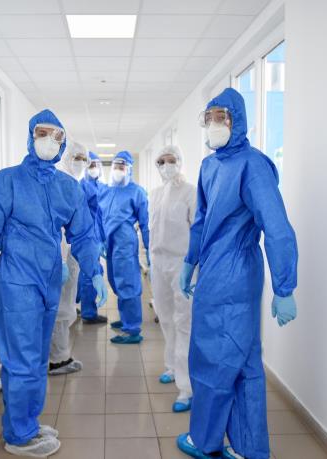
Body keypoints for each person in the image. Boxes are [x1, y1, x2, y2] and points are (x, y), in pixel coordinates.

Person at [0, 109, 108, 457]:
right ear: (31, 136)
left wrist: (95, 271)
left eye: (57, 135)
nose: (49, 141)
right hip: (15, 284)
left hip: (48, 284)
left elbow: (83, 234)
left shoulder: (67, 187)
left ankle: (27, 422)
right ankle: (19, 435)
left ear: (63, 142)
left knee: (36, 359)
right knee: (22, 362)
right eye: (42, 133)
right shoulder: (7, 181)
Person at [176, 88, 298, 459]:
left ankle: (206, 440)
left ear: (238, 120)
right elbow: (201, 220)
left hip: (233, 272)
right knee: (243, 359)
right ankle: (249, 447)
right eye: (210, 118)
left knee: (214, 357)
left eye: (222, 118)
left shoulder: (253, 165)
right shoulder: (209, 166)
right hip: (214, 269)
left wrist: (284, 286)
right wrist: (190, 261)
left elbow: (276, 227)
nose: (214, 124)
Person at [149, 145, 196, 413]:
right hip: (159, 262)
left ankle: (186, 387)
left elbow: (196, 230)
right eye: (162, 161)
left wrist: (193, 265)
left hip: (181, 263)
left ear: (180, 162)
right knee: (165, 317)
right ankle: (171, 366)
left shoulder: (190, 192)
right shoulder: (155, 194)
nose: (167, 165)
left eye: (172, 160)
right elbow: (153, 228)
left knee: (183, 322)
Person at [48, 141, 92, 375]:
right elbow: (58, 227)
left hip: (67, 254)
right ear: (66, 157)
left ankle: (58, 356)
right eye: (76, 157)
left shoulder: (72, 184)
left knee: (62, 305)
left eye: (84, 159)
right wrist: (63, 259)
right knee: (60, 308)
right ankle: (58, 359)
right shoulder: (61, 183)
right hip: (61, 255)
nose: (81, 163)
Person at [101, 151, 150, 344]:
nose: (118, 170)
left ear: (129, 169)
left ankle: (132, 329)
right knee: (115, 281)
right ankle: (125, 319)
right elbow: (99, 218)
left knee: (127, 283)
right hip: (109, 242)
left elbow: (145, 223)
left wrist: (149, 248)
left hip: (124, 242)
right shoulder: (106, 191)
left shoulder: (136, 191)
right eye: (116, 166)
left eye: (122, 167)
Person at [78, 151, 108, 324]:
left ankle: (84, 308)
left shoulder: (100, 186)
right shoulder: (82, 186)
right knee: (89, 275)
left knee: (90, 273)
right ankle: (88, 313)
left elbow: (100, 216)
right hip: (86, 237)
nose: (93, 168)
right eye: (90, 164)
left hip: (95, 237)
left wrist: (103, 238)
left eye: (96, 165)